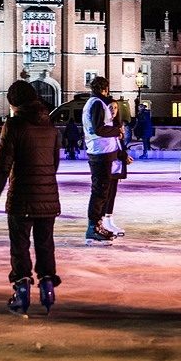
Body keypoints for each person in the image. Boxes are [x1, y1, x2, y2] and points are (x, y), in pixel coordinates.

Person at [0, 80, 62, 315]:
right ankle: (48, 288)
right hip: (48, 196)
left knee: (20, 246)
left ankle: (21, 292)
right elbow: (55, 163)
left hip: (21, 197)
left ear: (14, 103)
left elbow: (3, 166)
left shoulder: (14, 124)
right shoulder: (49, 125)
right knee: (45, 244)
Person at [82, 76, 124, 243]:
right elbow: (99, 128)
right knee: (100, 191)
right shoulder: (97, 104)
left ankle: (97, 225)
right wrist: (116, 131)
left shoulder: (93, 103)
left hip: (100, 151)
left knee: (101, 190)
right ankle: (93, 227)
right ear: (104, 89)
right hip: (100, 152)